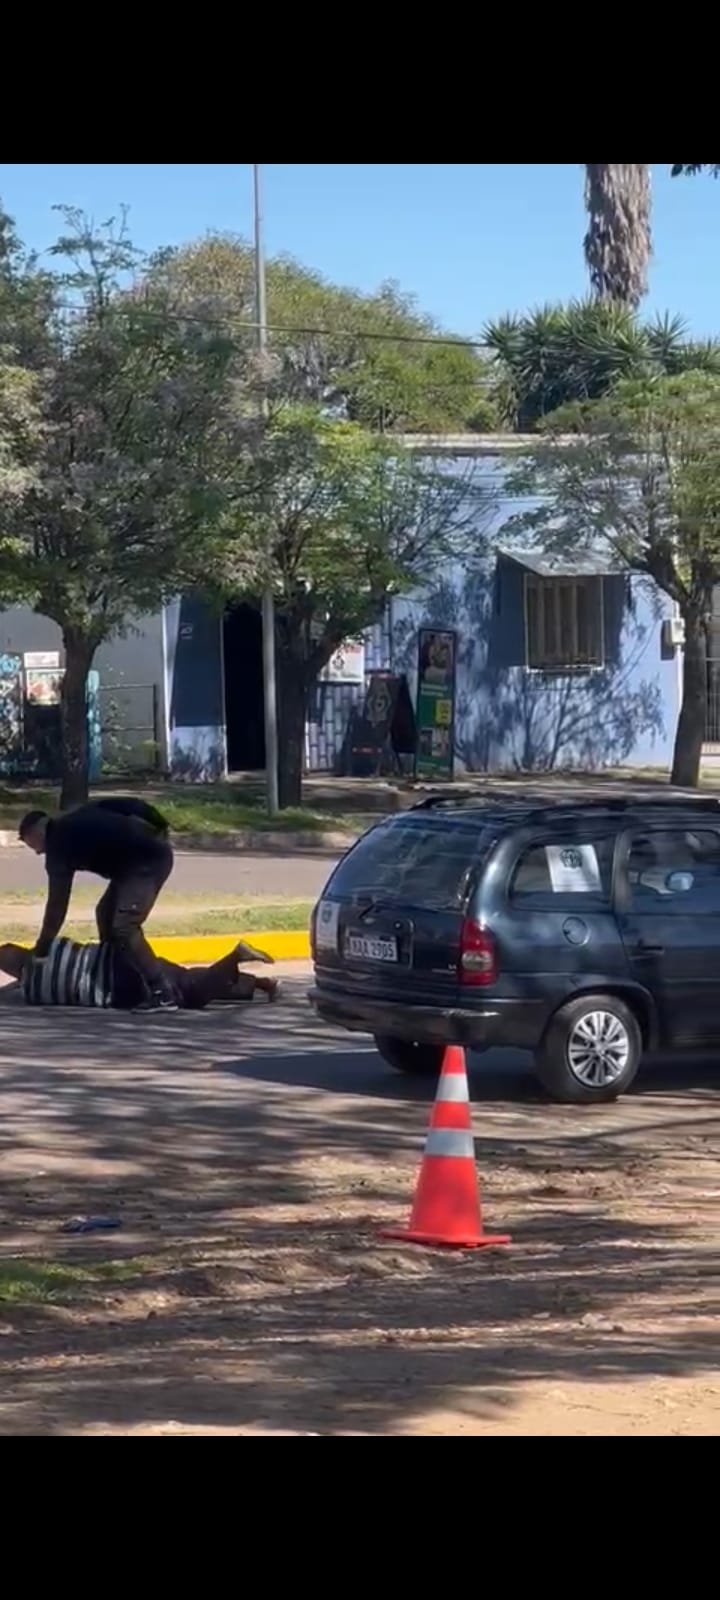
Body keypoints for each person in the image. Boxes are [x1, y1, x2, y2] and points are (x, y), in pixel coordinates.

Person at [19, 801, 176, 1011]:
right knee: (104, 912)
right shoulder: (76, 815)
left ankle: (162, 993)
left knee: (124, 926)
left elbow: (57, 906)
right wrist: (160, 822)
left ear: (37, 833)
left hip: (146, 863)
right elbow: (126, 804)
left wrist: (42, 949)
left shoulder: (57, 846)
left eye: (35, 847)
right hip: (139, 861)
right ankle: (116, 976)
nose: (39, 853)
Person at [0, 935, 279, 1010]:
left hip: (118, 986)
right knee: (184, 978)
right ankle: (259, 984)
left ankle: (235, 956)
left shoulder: (33, 991)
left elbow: (21, 989)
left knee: (190, 995)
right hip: (123, 958)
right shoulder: (52, 946)